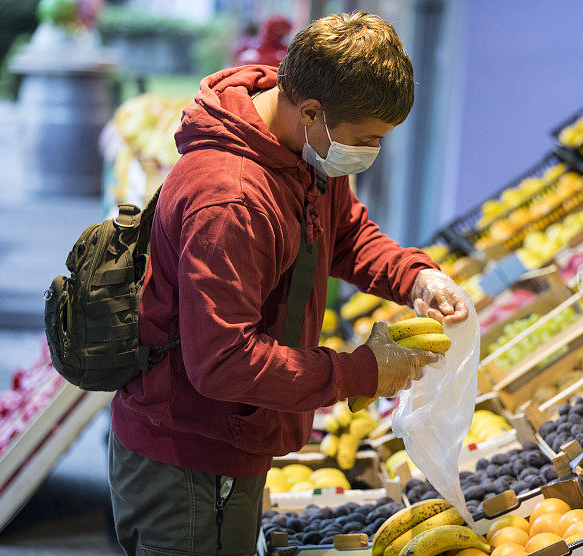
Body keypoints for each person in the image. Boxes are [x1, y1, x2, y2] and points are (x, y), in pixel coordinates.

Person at [108, 12, 470, 555]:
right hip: (188, 459)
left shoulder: (306, 152)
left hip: (235, 438)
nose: (369, 154)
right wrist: (360, 372)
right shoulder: (229, 201)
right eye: (365, 140)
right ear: (312, 112)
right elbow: (223, 360)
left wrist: (415, 277)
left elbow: (344, 234)